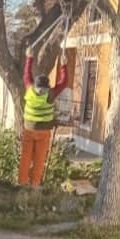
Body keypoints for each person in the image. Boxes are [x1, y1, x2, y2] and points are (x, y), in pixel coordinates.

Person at [20, 47, 69, 187]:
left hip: (29, 129)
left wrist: (29, 57)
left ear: (35, 85)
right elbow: (63, 82)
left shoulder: (29, 90)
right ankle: (35, 184)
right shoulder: (50, 94)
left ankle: (22, 183)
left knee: (26, 157)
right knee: (39, 159)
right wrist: (64, 65)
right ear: (47, 86)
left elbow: (26, 76)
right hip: (43, 132)